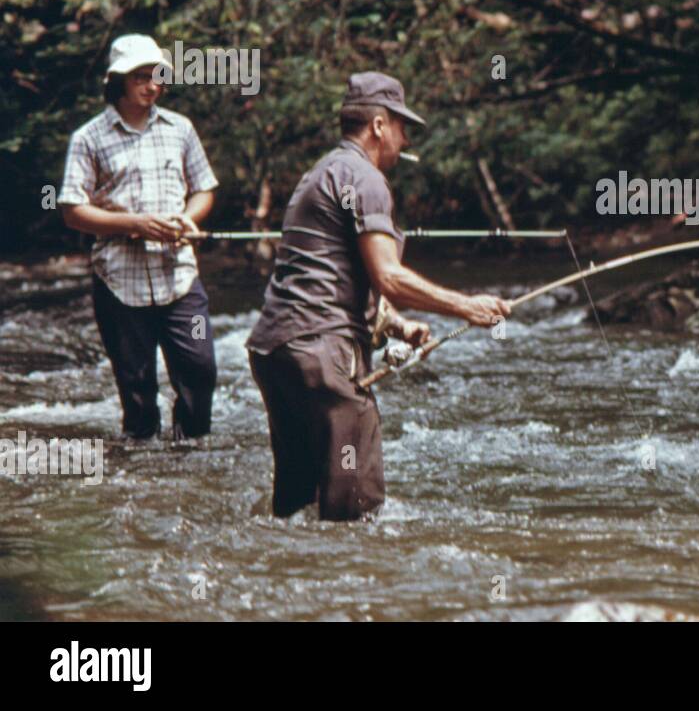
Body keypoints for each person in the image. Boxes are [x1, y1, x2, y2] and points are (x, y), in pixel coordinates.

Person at [245, 71, 511, 522]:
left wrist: (396, 325)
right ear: (379, 125)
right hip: (324, 356)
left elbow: (330, 272)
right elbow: (388, 275)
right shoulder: (365, 179)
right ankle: (355, 587)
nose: (405, 142)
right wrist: (467, 306)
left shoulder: (321, 173)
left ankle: (289, 582)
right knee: (355, 507)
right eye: (403, 128)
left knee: (296, 505)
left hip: (277, 353)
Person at [58, 34, 220, 440]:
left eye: (158, 76)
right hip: (119, 284)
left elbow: (205, 188)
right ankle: (142, 468)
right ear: (118, 82)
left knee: (201, 369)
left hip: (179, 276)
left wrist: (186, 218)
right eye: (141, 77)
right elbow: (72, 210)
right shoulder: (88, 138)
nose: (152, 86)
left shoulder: (180, 129)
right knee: (137, 389)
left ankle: (190, 453)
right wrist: (134, 224)